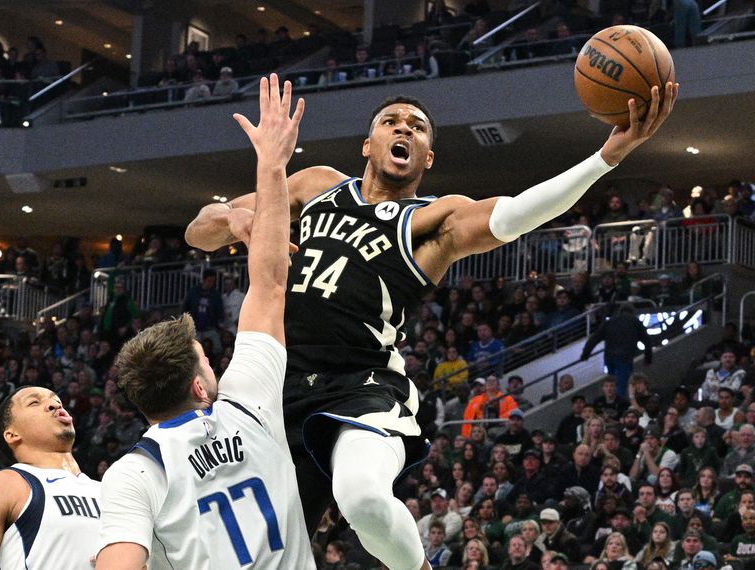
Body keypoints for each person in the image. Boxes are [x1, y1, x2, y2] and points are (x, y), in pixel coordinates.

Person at [186, 80, 677, 570]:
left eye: (417, 128)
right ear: (367, 144)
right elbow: (200, 228)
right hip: (277, 389)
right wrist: (235, 222)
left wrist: (606, 157)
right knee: (256, 555)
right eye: (391, 122)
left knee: (361, 498)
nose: (404, 129)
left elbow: (519, 213)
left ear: (427, 158)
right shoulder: (315, 185)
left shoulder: (435, 220)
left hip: (362, 385)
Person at [94, 74, 314, 569]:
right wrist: (272, 165)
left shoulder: (132, 474)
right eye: (206, 361)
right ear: (199, 387)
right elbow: (270, 283)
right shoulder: (249, 407)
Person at [0, 386, 100, 568]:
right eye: (34, 402)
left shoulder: (108, 491)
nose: (54, 404)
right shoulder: (2, 485)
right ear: (12, 434)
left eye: (57, 401)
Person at [581, 304, 652, 397]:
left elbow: (595, 338)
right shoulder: (635, 321)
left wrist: (585, 354)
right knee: (621, 384)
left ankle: (611, 401)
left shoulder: (610, 322)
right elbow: (647, 340)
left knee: (612, 382)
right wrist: (648, 358)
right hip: (624, 357)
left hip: (609, 357)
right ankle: (619, 404)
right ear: (632, 312)